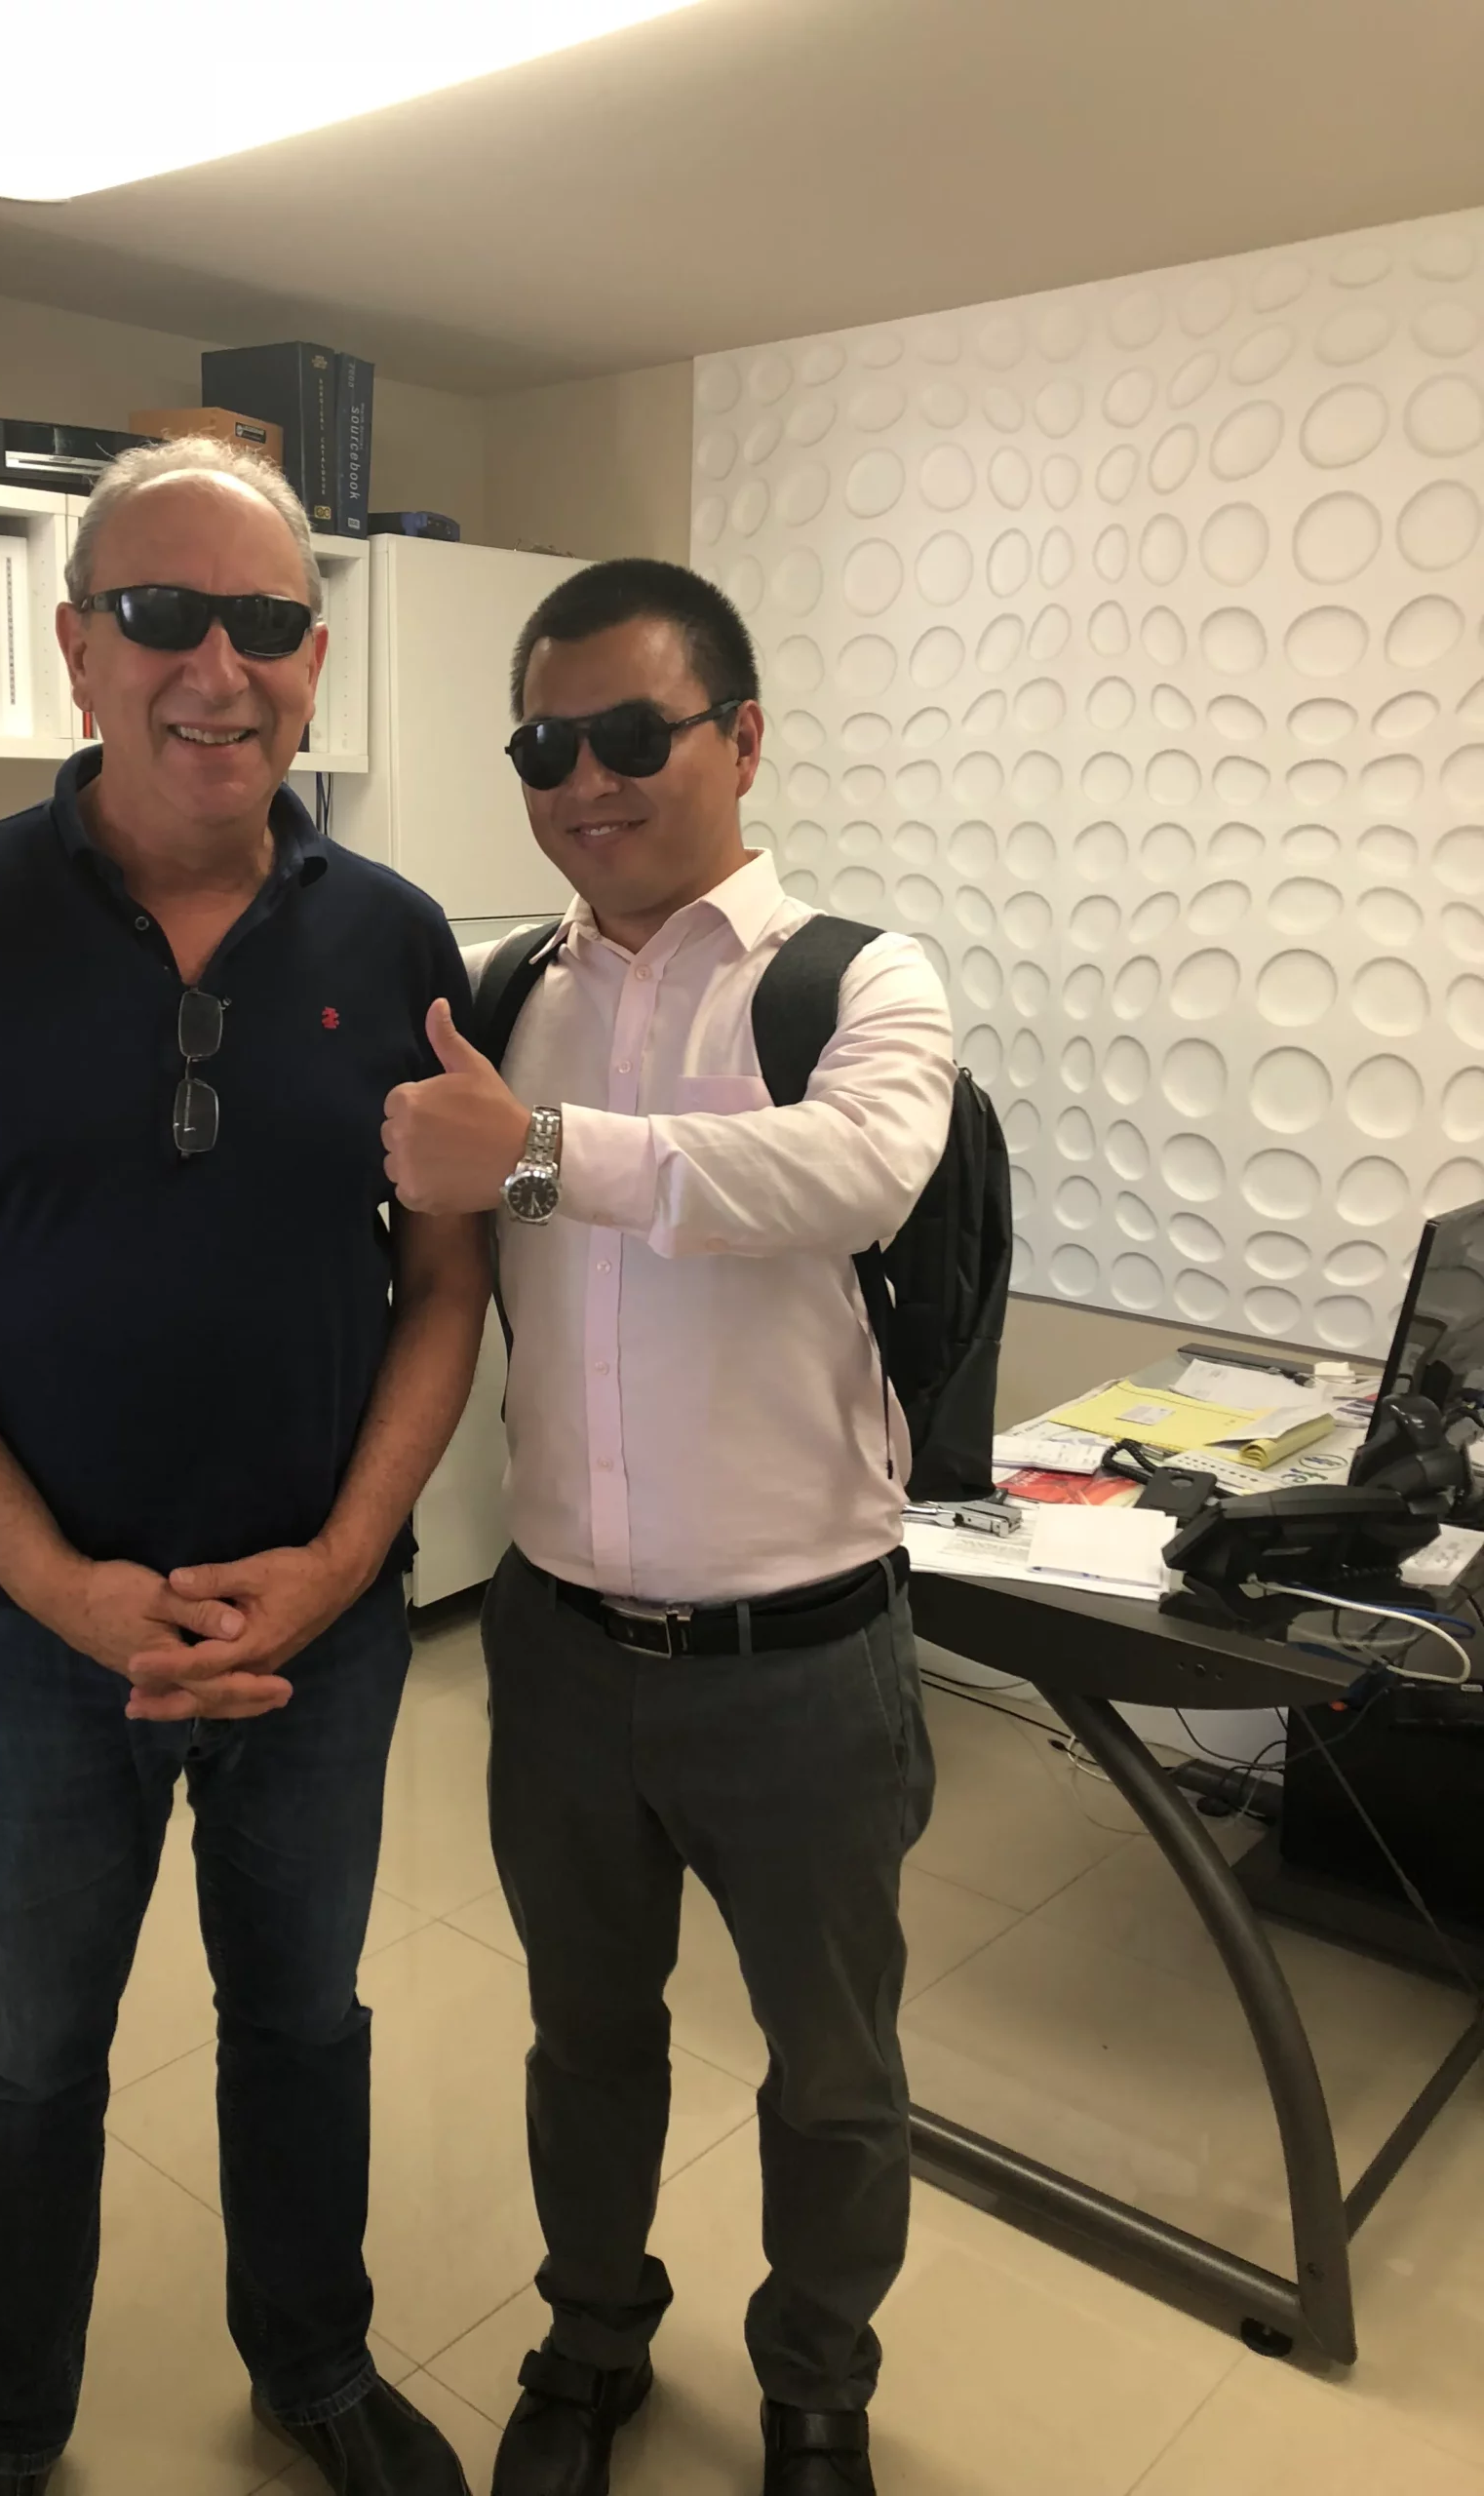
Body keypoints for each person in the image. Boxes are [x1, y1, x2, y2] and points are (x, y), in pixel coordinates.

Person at [0, 440, 488, 2496]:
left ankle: (315, 2365)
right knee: (34, 2049)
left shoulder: (399, 933)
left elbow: (446, 1284)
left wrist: (345, 1560)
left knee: (306, 2022)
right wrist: (61, 1585)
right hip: (35, 1637)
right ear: (80, 647)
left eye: (265, 622)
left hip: (320, 1633)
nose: (216, 666)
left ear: (316, 662)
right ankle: (4, 2431)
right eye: (164, 615)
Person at [381, 559, 955, 2496]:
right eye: (547, 745)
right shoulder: (501, 998)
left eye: (633, 733)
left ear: (745, 738)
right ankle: (592, 2336)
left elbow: (854, 1173)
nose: (587, 779)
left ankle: (817, 2385)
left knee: (836, 2067)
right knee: (584, 2037)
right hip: (558, 1654)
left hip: (804, 1660)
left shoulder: (854, 979)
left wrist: (542, 1151)